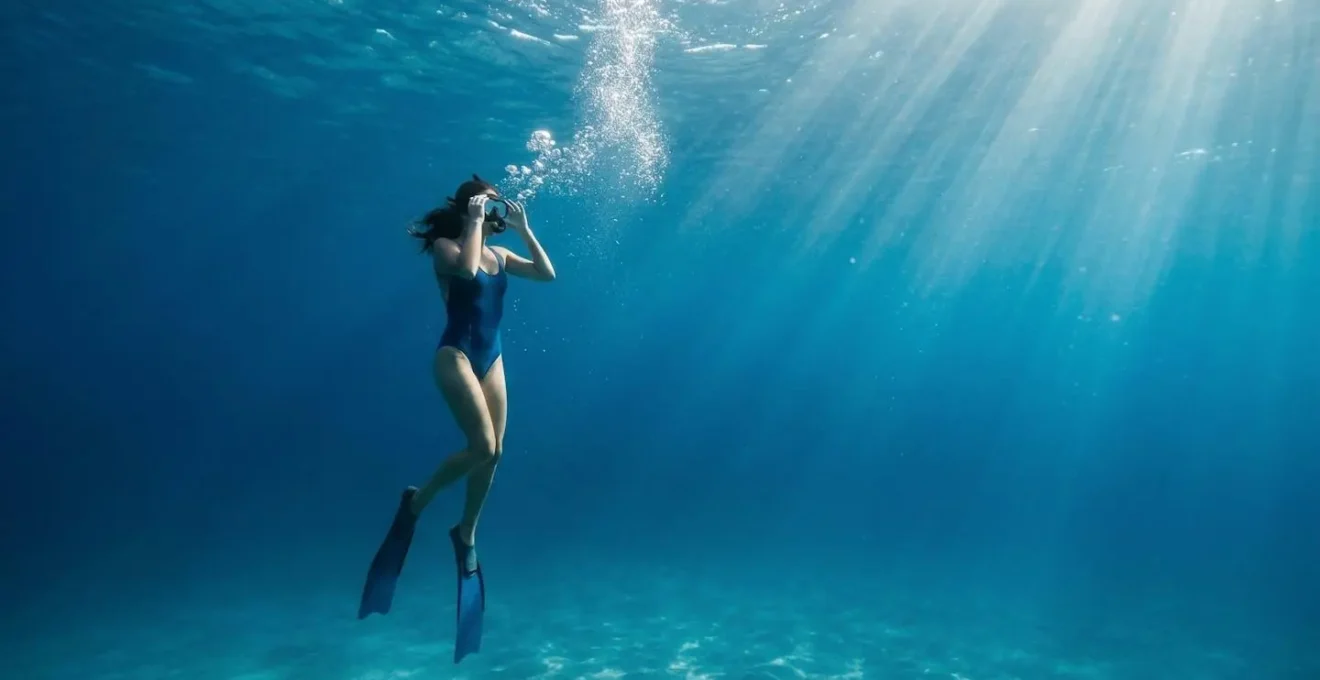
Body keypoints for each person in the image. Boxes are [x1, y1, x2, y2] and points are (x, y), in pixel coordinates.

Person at [358, 175, 556, 662]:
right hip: (456, 357)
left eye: (494, 210)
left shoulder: (501, 256)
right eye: (487, 208)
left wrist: (525, 228)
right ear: (472, 210)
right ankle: (417, 502)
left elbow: (547, 273)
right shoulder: (449, 248)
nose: (493, 215)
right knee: (483, 447)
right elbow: (467, 274)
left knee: (495, 454)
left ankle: (466, 531)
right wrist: (470, 220)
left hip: (494, 358)